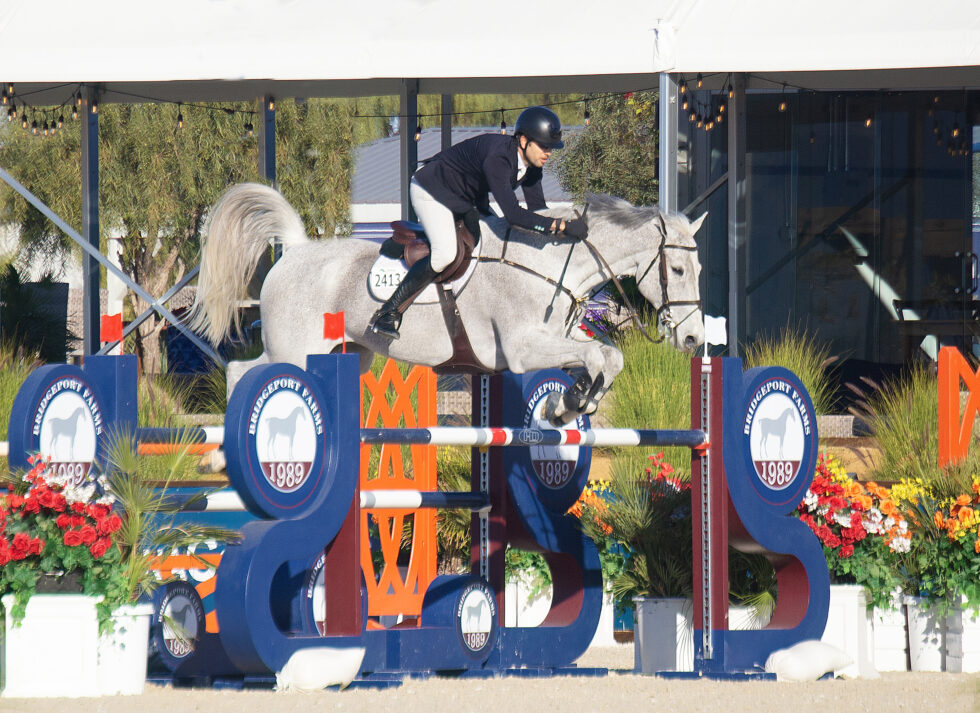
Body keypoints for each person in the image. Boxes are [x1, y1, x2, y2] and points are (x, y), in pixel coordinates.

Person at [369, 106, 588, 339]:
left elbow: (538, 210)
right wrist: (561, 226)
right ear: (523, 141)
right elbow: (514, 216)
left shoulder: (532, 167)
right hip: (431, 190)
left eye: (551, 147)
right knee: (445, 254)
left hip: (465, 199)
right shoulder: (499, 158)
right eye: (544, 146)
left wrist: (563, 232)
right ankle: (388, 313)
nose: (549, 152)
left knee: (495, 239)